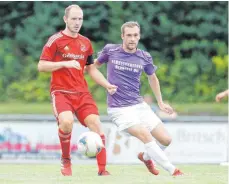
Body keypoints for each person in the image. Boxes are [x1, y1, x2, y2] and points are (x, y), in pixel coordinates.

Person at [95, 21, 183, 176]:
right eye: (128, 35)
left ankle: (146, 157)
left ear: (139, 36)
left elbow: (153, 78)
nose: (132, 39)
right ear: (122, 36)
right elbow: (93, 68)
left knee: (166, 140)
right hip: (119, 109)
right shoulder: (110, 50)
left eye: (135, 35)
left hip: (139, 106)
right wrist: (106, 84)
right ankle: (173, 170)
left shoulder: (144, 57)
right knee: (146, 135)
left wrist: (160, 103)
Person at [38, 4, 117, 176]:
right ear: (65, 19)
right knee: (66, 122)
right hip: (60, 92)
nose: (77, 22)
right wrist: (64, 63)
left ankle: (102, 169)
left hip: (82, 93)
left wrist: (107, 84)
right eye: (73, 18)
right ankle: (66, 160)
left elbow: (91, 69)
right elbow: (41, 65)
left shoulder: (85, 43)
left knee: (96, 124)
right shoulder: (55, 41)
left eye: (80, 19)